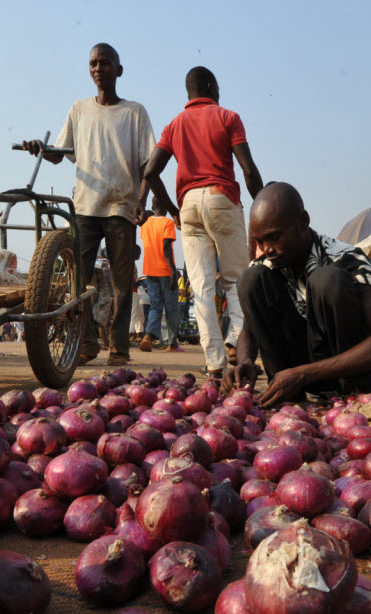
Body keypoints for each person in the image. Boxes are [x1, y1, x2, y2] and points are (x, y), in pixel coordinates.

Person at [21, 43, 155, 367]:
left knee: (123, 285)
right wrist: (41, 147)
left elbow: (149, 163)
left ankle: (119, 349)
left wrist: (142, 199)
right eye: (93, 63)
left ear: (118, 70)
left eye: (105, 63)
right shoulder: (79, 109)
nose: (98, 68)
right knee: (76, 281)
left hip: (121, 208)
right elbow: (59, 153)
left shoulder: (134, 112)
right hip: (85, 207)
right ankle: (87, 341)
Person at [223, 183, 371, 407]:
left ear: (303, 222)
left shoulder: (347, 259)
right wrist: (245, 361)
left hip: (344, 375)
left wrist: (304, 374)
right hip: (293, 378)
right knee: (250, 278)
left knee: (326, 279)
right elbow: (248, 331)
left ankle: (351, 393)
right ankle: (284, 394)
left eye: (274, 237)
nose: (267, 249)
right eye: (260, 241)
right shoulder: (267, 267)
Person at [140, 66, 263, 377]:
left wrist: (173, 210)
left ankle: (214, 364)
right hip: (222, 198)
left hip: (189, 205)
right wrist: (263, 205)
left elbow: (150, 172)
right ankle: (237, 340)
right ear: (210, 85)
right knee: (236, 279)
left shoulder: (174, 125)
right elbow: (248, 170)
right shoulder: (227, 117)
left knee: (202, 288)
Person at [139, 208, 182, 352]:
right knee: (172, 308)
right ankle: (173, 343)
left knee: (155, 305)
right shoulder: (167, 223)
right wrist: (173, 271)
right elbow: (166, 247)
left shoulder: (145, 224)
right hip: (164, 270)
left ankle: (148, 336)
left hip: (149, 270)